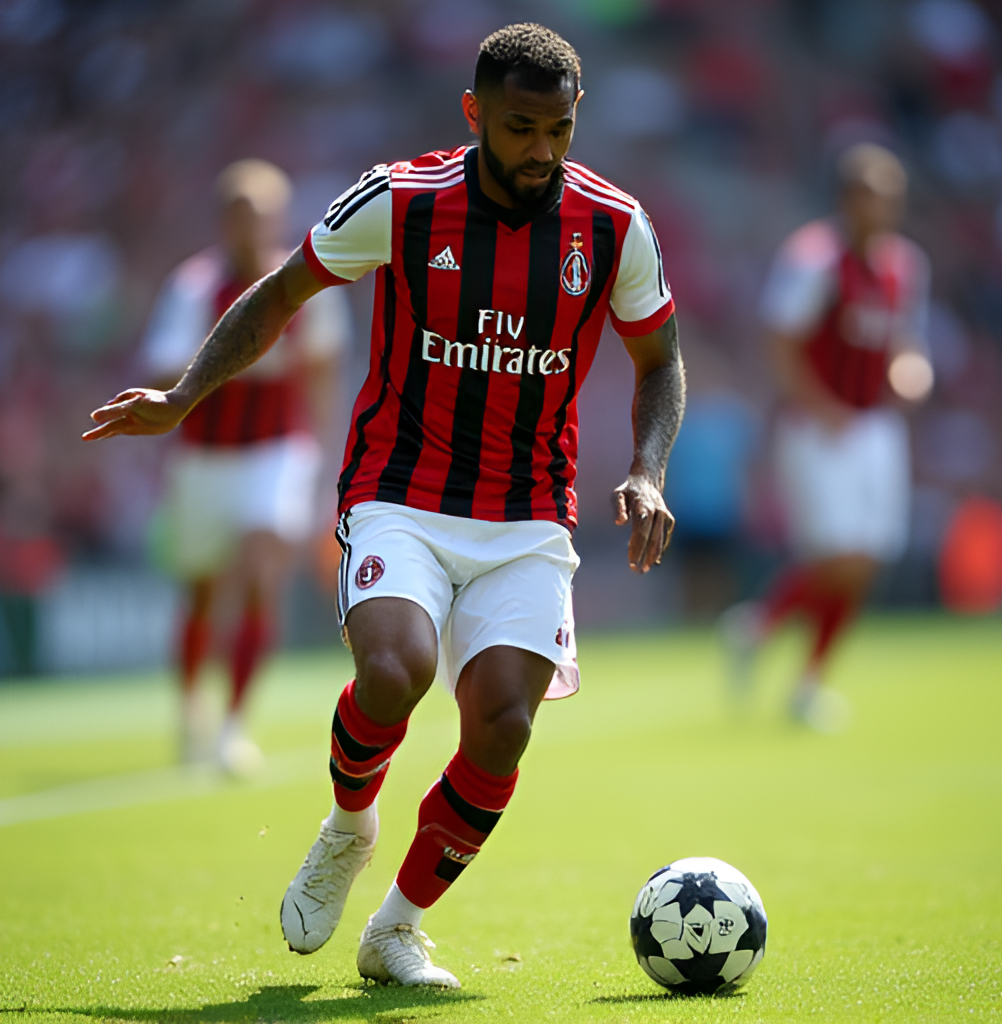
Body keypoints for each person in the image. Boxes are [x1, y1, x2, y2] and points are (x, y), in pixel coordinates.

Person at [85, 24, 684, 988]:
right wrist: (186, 394)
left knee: (504, 725)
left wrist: (648, 469)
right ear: (474, 112)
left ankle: (397, 928)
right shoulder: (401, 200)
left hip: (530, 513)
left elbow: (660, 360)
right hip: (400, 494)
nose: (542, 151)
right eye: (521, 128)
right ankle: (349, 824)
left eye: (560, 130)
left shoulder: (615, 226)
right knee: (397, 670)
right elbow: (280, 294)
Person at [139, 159, 349, 773]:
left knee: (261, 571)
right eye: (240, 217)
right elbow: (163, 369)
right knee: (203, 592)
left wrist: (323, 456)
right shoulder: (194, 287)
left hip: (277, 451)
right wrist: (233, 353)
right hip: (204, 458)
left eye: (261, 217)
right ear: (223, 222)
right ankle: (191, 711)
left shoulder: (307, 284)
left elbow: (323, 372)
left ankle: (234, 725)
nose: (250, 229)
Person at [722, 143, 932, 732]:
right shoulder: (814, 258)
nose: (881, 210)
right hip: (818, 426)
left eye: (889, 199)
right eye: (870, 197)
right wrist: (821, 406)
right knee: (839, 557)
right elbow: (781, 341)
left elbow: (905, 342)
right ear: (845, 199)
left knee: (867, 562)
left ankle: (799, 672)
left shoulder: (905, 264)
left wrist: (912, 372)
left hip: (876, 426)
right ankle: (762, 628)